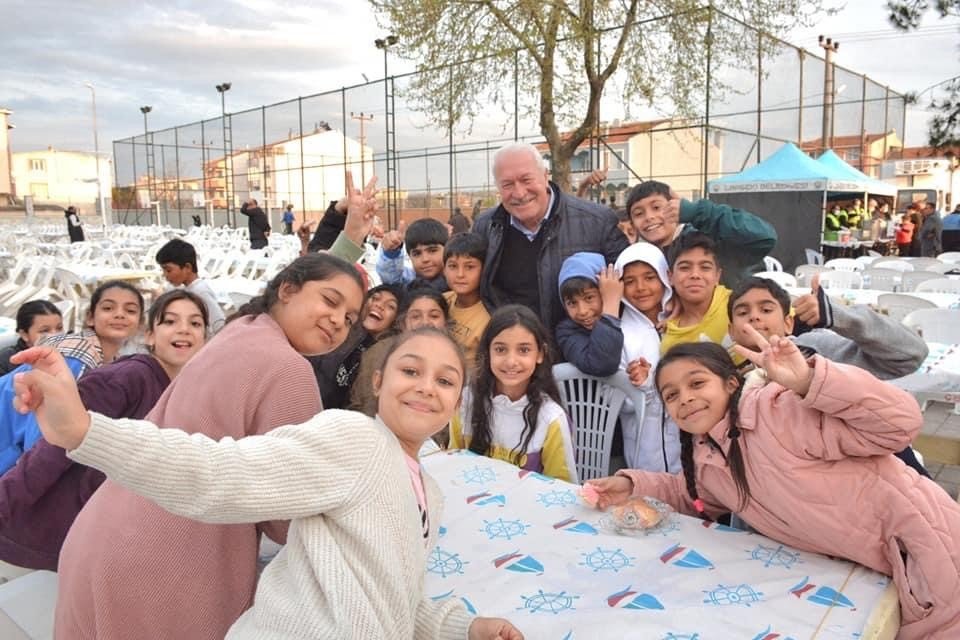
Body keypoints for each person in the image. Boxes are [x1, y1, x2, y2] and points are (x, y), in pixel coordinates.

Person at [11, 329, 525, 640]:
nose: (425, 388)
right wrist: (85, 431)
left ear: (458, 399)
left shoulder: (426, 492)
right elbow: (220, 474)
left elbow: (391, 599)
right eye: (410, 370)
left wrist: (462, 628)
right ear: (377, 383)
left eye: (445, 380)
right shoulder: (354, 440)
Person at [46, 254, 365, 639]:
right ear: (287, 289)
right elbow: (287, 519)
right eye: (330, 302)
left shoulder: (240, 330)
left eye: (349, 318)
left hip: (103, 533)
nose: (337, 320)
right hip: (168, 563)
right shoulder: (288, 368)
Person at [585, 337, 960, 640]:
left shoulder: (777, 412)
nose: (684, 397)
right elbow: (692, 496)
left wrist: (810, 382)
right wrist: (631, 483)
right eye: (671, 395)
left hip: (929, 551)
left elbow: (900, 424)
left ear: (731, 383)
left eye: (697, 383)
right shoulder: (707, 456)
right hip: (870, 572)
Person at [0, 290, 209, 571]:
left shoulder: (174, 389)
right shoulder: (126, 378)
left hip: (87, 537)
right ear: (149, 335)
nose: (184, 329)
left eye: (195, 323)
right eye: (170, 321)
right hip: (43, 533)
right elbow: (51, 449)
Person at [727, 274, 930, 476]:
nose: (754, 316)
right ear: (731, 331)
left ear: (788, 323)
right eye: (743, 312)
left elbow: (911, 355)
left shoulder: (817, 349)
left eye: (766, 309)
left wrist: (837, 315)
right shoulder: (731, 379)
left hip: (878, 477)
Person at [473, 142, 628, 333]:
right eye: (507, 184)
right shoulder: (485, 227)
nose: (520, 193)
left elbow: (629, 287)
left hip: (580, 351)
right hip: (515, 352)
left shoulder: (598, 222)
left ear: (545, 176)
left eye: (526, 180)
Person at [0, 281, 145, 475]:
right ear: (90, 318)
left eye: (130, 310)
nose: (119, 314)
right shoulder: (75, 357)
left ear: (140, 323)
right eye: (108, 308)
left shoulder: (109, 359)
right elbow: (41, 438)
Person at [450, 305, 577, 483]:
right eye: (500, 349)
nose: (511, 362)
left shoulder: (552, 419)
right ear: (487, 352)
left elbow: (563, 488)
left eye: (524, 350)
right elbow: (452, 464)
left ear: (540, 354)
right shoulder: (465, 401)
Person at [624, 180, 776, 288]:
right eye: (639, 213)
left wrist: (700, 213)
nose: (649, 217)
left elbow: (763, 238)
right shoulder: (643, 258)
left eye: (657, 207)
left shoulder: (708, 240)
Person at [614, 242, 680, 472]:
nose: (640, 287)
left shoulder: (682, 322)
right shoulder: (621, 334)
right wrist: (640, 384)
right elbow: (616, 400)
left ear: (664, 277)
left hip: (687, 443)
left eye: (649, 277)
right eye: (629, 281)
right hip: (643, 448)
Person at [350, 288, 450, 417]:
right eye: (415, 316)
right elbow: (360, 404)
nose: (425, 322)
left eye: (434, 316)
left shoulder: (454, 361)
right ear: (403, 324)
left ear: (446, 322)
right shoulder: (377, 355)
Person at [660, 232, 736, 359]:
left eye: (705, 268)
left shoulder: (737, 304)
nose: (695, 274)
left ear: (717, 275)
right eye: (685, 268)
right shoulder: (670, 341)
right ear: (670, 276)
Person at [554, 252, 624, 378]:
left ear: (605, 290)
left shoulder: (628, 314)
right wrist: (610, 305)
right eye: (572, 303)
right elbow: (603, 364)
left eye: (589, 298)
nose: (582, 311)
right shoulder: (567, 332)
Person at [155, 238, 226, 333]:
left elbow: (219, 324)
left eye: (168, 270)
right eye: (163, 271)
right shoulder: (184, 289)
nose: (165, 275)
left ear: (187, 267)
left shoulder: (200, 291)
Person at [443, 232, 490, 368]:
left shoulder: (489, 315)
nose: (460, 274)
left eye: (469, 267)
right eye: (453, 266)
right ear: (444, 269)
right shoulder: (441, 302)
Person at [377, 218, 449, 291]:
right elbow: (391, 279)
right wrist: (391, 253)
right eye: (417, 254)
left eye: (432, 251)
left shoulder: (457, 282)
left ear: (447, 249)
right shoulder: (409, 284)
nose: (425, 259)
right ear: (409, 256)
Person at [0, 300, 63, 376]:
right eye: (45, 330)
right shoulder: (6, 360)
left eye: (59, 328)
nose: (55, 335)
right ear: (24, 335)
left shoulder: (69, 354)